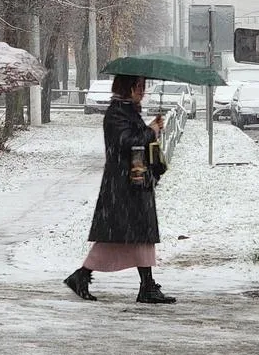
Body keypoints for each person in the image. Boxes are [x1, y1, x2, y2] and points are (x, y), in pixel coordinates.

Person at [64, 74, 176, 304]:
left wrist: (151, 130)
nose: (142, 91)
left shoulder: (127, 110)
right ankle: (85, 276)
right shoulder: (117, 112)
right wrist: (150, 131)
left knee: (136, 235)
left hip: (133, 182)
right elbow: (126, 142)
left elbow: (134, 139)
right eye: (138, 86)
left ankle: (144, 285)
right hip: (124, 184)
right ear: (128, 87)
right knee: (127, 235)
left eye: (143, 87)